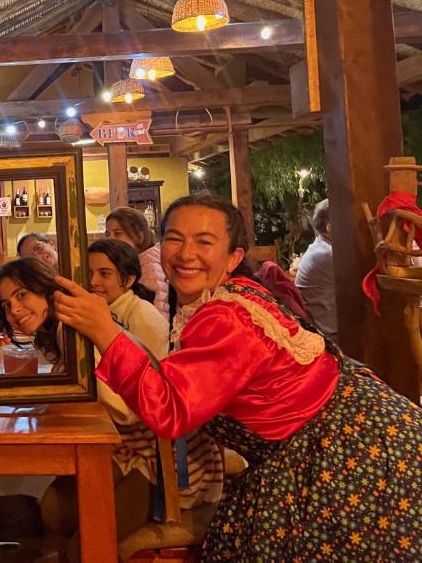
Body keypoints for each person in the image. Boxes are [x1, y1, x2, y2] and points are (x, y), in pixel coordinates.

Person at [54, 193, 422, 560]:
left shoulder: (225, 317)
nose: (186, 254)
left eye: (204, 242)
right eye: (174, 238)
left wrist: (104, 330)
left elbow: (169, 410)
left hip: (343, 457)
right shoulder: (231, 294)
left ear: (234, 258)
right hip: (360, 426)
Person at [0, 249, 221, 548]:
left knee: (86, 545)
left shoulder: (74, 330)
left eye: (22, 296)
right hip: (124, 447)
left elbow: (125, 411)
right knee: (54, 510)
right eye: (7, 306)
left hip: (161, 457)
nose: (14, 311)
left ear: (46, 290)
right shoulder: (57, 333)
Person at [105, 207, 168, 321]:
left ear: (139, 236)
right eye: (108, 234)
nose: (110, 239)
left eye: (118, 233)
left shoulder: (149, 267)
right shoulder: (131, 263)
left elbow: (158, 310)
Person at [294, 198, 338, 344]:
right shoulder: (327, 255)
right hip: (330, 336)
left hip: (325, 327)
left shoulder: (321, 248)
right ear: (330, 228)